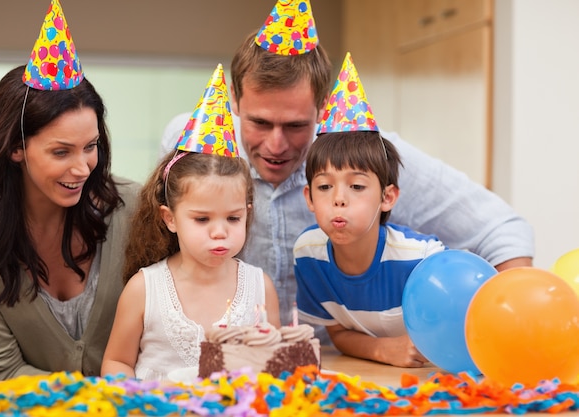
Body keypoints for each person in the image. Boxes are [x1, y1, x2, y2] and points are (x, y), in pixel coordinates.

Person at [160, 0, 534, 328]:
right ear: (235, 104)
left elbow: (500, 230)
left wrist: (510, 327)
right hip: (227, 361)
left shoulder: (370, 157)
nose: (276, 144)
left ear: (322, 109)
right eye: (259, 123)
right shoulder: (193, 145)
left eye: (295, 126)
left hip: (340, 366)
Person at [0, 0, 140, 381]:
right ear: (15, 148)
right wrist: (96, 401)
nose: (82, 167)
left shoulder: (135, 208)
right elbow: (0, 371)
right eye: (61, 151)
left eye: (90, 147)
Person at [101, 65, 280, 381]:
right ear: (169, 218)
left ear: (248, 213)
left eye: (233, 218)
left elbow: (275, 370)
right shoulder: (144, 289)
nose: (219, 231)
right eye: (201, 219)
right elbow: (117, 363)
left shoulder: (260, 289)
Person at [294, 53, 446, 368]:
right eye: (325, 187)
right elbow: (336, 331)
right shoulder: (308, 254)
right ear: (309, 198)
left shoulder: (422, 259)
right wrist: (383, 350)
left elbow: (453, 332)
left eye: (357, 187)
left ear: (387, 197)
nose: (339, 199)